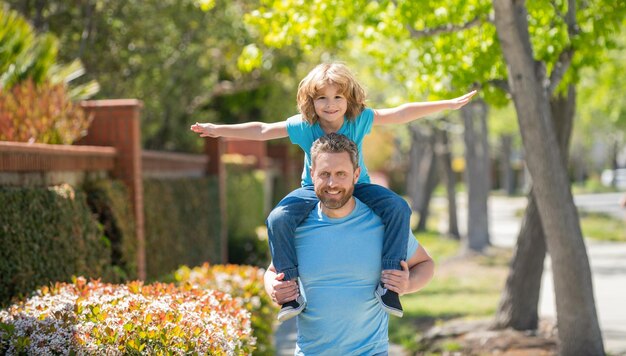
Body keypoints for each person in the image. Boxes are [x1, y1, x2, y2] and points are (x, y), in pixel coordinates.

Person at [191, 62, 473, 321]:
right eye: (322, 98)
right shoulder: (305, 126)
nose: (330, 104)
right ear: (311, 101)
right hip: (312, 191)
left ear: (349, 99)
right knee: (278, 217)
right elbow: (263, 130)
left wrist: (446, 104)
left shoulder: (359, 119)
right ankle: (290, 293)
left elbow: (400, 113)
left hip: (358, 186)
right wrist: (218, 130)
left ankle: (389, 285)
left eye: (338, 97)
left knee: (398, 207)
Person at [265, 133, 434, 355]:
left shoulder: (384, 225)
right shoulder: (295, 227)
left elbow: (425, 264)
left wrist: (407, 284)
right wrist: (274, 289)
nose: (332, 183)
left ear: (356, 175)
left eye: (341, 174)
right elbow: (271, 271)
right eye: (324, 174)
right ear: (312, 174)